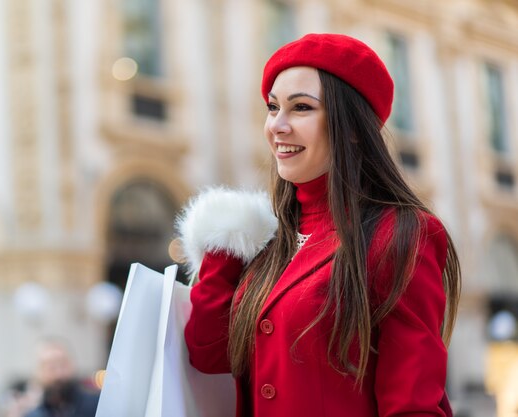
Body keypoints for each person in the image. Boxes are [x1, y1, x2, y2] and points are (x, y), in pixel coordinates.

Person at [177, 33, 461, 417]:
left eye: (301, 108)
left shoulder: (402, 234)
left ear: (353, 127)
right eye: (272, 107)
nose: (277, 126)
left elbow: (411, 404)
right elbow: (208, 354)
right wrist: (225, 243)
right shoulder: (268, 240)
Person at [24, 338, 99, 417]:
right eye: (51, 367)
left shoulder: (98, 405)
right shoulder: (33, 415)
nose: (59, 373)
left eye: (63, 365)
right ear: (38, 372)